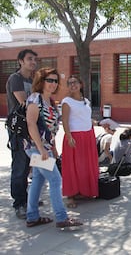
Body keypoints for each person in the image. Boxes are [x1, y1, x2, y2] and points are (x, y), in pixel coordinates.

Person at [25, 67, 82, 228]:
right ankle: (62, 217)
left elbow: (49, 128)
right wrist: (42, 150)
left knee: (38, 179)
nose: (53, 83)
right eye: (49, 80)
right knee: (56, 180)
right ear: (41, 81)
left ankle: (32, 217)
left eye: (55, 81)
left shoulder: (49, 101)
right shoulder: (35, 98)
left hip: (45, 147)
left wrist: (53, 148)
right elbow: (31, 124)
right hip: (37, 148)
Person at [6, 49, 38, 219]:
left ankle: (28, 199)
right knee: (19, 167)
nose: (33, 62)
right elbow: (24, 103)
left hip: (31, 127)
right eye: (29, 59)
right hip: (18, 129)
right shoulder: (15, 79)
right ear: (20, 61)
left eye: (34, 59)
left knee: (31, 165)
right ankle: (19, 203)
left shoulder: (31, 80)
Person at [61, 75, 99, 208]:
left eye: (75, 82)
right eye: (70, 83)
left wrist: (100, 123)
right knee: (72, 166)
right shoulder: (66, 101)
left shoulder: (86, 101)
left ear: (80, 84)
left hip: (88, 135)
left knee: (86, 164)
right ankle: (70, 195)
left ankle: (84, 190)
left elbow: (87, 118)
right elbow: (64, 120)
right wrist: (69, 136)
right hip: (74, 137)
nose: (73, 85)